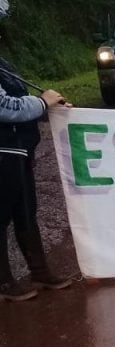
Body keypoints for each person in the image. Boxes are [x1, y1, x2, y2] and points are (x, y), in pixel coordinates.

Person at [0, 61, 72, 302]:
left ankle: (40, 273)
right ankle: (4, 282)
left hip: (20, 149)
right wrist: (42, 102)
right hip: (4, 151)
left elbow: (20, 101)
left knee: (26, 213)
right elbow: (5, 108)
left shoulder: (4, 66)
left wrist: (49, 108)